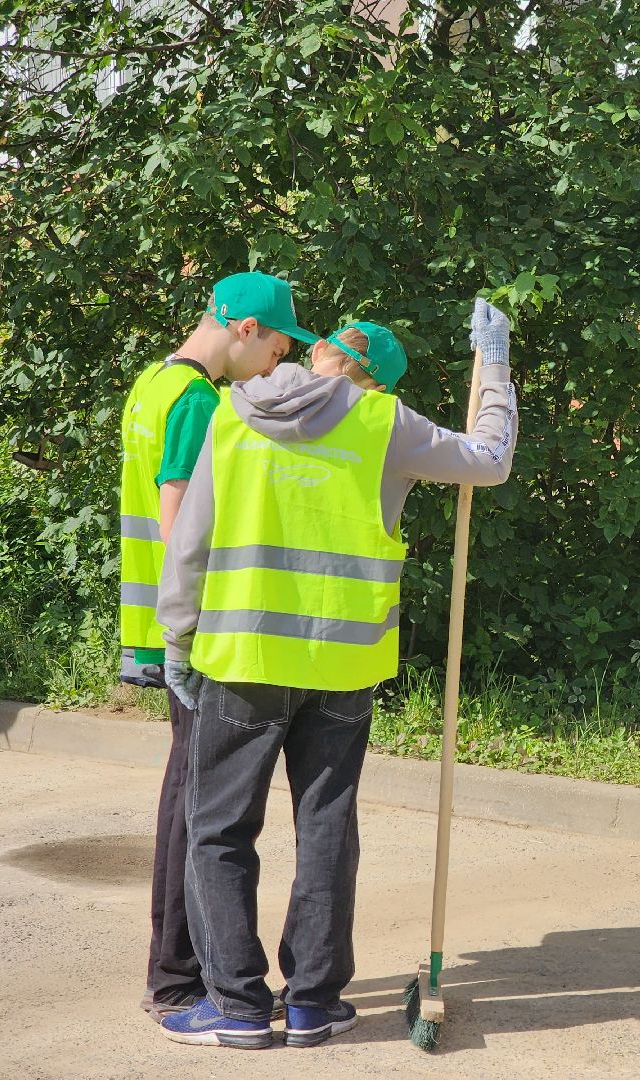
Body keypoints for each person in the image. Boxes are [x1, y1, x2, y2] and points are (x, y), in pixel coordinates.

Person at [155, 301, 518, 1049]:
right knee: (325, 826)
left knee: (218, 829)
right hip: (343, 665)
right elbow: (490, 460)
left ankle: (237, 1006)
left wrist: (177, 638)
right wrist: (495, 367)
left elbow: (191, 540)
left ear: (319, 349)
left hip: (244, 658)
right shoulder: (385, 423)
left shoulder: (233, 410)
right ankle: (313, 1003)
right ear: (379, 382)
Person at [120, 272, 318, 1021]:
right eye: (276, 349)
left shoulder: (152, 385)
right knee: (199, 812)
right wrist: (195, 631)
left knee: (186, 798)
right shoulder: (199, 403)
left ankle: (175, 971)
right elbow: (182, 526)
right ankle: (179, 978)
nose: (273, 365)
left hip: (154, 623)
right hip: (193, 635)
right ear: (244, 329)